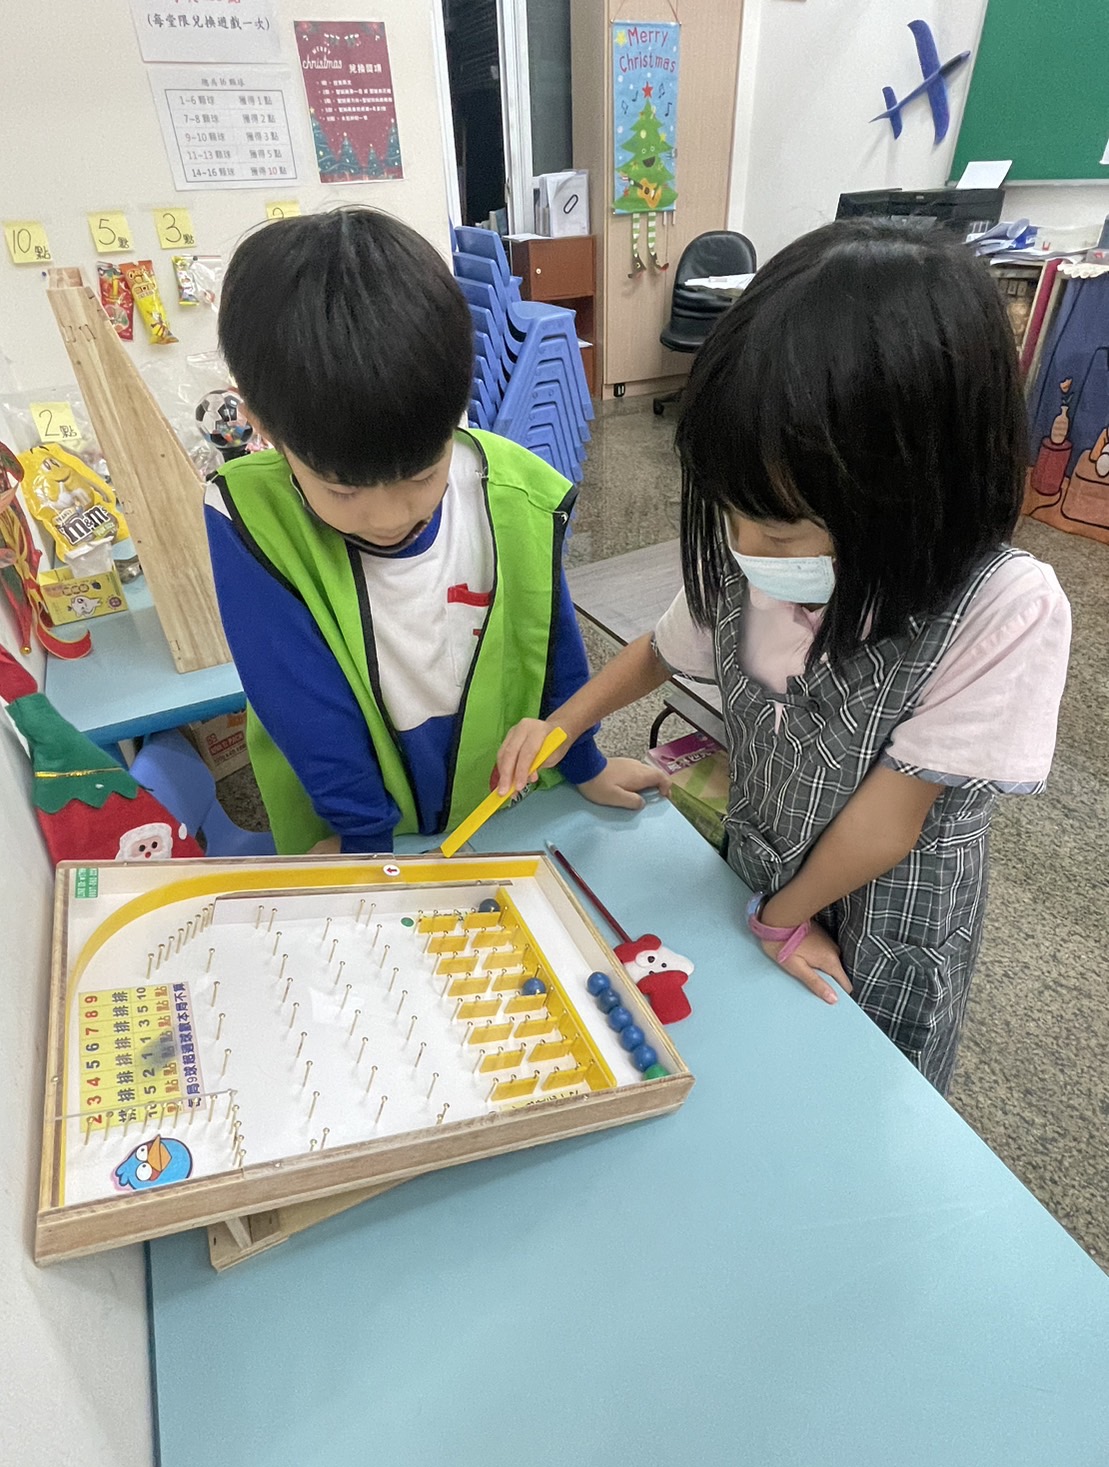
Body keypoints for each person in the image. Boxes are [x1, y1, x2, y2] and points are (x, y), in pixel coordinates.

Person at [496, 218, 1071, 1093]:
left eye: (777, 527)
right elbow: (660, 651)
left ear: (915, 487)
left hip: (881, 920)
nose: (743, 546)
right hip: (758, 874)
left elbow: (889, 821)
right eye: (730, 513)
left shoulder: (1000, 609)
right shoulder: (760, 563)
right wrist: (561, 725)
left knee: (862, 1093)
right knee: (749, 1068)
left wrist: (783, 918)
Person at [204, 207, 663, 856]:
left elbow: (549, 641)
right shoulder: (250, 517)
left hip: (495, 807)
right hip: (348, 822)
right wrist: (363, 840)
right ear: (263, 427)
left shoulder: (513, 493)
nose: (390, 517)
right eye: (343, 490)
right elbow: (301, 703)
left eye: (422, 476)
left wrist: (584, 760)